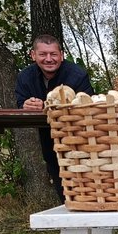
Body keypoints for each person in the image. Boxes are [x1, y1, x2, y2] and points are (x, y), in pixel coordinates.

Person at [15, 34, 94, 202]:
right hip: (49, 138)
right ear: (33, 55)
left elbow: (89, 106)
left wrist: (48, 106)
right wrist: (26, 106)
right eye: (43, 54)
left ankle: (94, 217)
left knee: (86, 183)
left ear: (62, 55)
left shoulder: (77, 75)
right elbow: (20, 102)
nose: (49, 59)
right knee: (61, 184)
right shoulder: (24, 77)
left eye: (53, 54)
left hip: (79, 139)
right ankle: (71, 216)